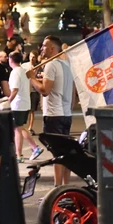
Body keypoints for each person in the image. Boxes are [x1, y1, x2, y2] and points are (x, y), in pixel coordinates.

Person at [29, 35, 76, 187]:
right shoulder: (67, 65)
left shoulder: (51, 65)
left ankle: (57, 188)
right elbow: (72, 93)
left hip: (54, 115)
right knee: (66, 152)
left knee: (58, 153)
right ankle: (65, 186)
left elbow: (45, 90)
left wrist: (32, 79)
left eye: (43, 46)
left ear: (52, 48)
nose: (41, 49)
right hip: (65, 114)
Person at [9, 51, 40, 162]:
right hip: (25, 103)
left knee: (18, 129)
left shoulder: (15, 72)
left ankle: (20, 154)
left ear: (11, 60)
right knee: (20, 128)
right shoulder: (24, 71)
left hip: (18, 104)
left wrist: (8, 101)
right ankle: (32, 148)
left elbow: (15, 90)